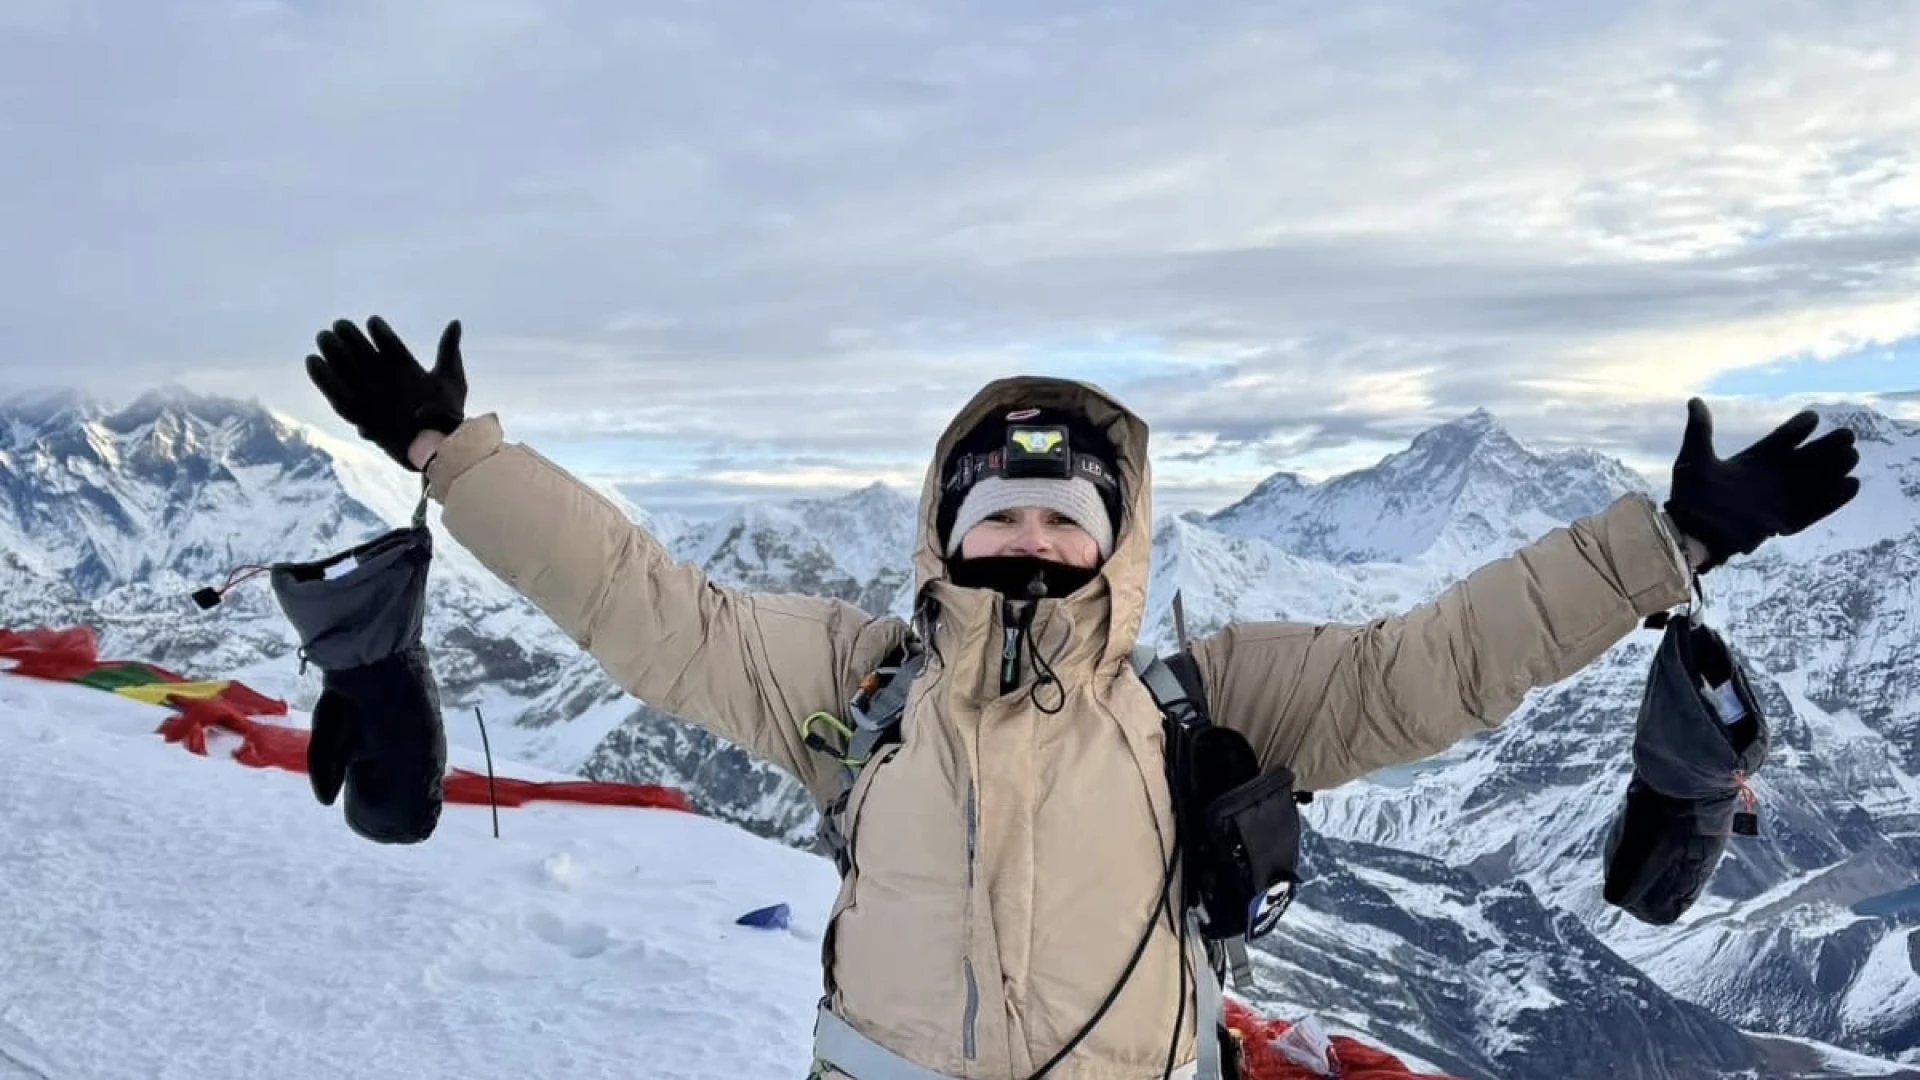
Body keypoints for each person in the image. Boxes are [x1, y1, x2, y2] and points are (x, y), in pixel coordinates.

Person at [302, 316, 1861, 1080]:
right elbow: (645, 605)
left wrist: (1670, 542)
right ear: (951, 532)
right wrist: (463, 461)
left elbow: (1436, 661)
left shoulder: (1208, 697)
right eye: (1002, 517)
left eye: (1067, 519)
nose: (1034, 540)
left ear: (1112, 541)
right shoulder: (858, 681)